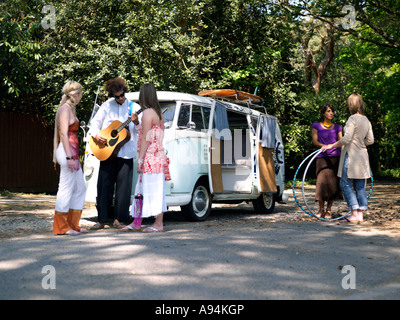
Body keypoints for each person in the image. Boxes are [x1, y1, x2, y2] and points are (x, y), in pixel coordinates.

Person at [89, 77, 140, 229]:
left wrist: (136, 122)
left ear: (125, 91)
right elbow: (94, 124)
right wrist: (97, 134)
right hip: (107, 151)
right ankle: (102, 219)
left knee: (123, 188)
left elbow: (140, 130)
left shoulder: (134, 107)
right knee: (104, 185)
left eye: (122, 94)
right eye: (116, 96)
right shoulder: (106, 106)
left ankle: (119, 219)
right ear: (112, 95)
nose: (120, 98)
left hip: (126, 152)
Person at [121, 84, 169, 233]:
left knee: (152, 189)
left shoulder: (148, 113)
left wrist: (140, 159)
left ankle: (158, 223)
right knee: (142, 189)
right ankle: (137, 221)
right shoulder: (158, 112)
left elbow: (145, 139)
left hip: (150, 157)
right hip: (157, 156)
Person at [322, 94, 374, 223]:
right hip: (362, 156)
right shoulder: (366, 120)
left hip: (351, 156)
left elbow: (346, 139)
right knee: (360, 186)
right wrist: (360, 143)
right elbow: (371, 140)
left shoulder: (352, 119)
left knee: (344, 184)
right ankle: (360, 215)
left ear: (351, 105)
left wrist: (331, 146)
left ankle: (354, 212)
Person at [53, 81, 87, 235]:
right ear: (76, 94)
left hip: (72, 152)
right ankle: (61, 226)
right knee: (65, 188)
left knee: (80, 187)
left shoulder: (70, 109)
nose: (81, 97)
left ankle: (73, 224)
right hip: (67, 152)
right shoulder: (65, 110)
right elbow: (63, 135)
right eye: (80, 94)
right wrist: (69, 157)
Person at [311, 104, 343, 219]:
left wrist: (332, 146)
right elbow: (315, 141)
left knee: (333, 184)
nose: (331, 113)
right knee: (321, 183)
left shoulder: (338, 127)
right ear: (323, 113)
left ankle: (329, 210)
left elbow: (341, 142)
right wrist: (324, 146)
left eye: (332, 111)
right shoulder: (316, 126)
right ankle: (321, 209)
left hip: (335, 158)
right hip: (321, 157)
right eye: (329, 111)